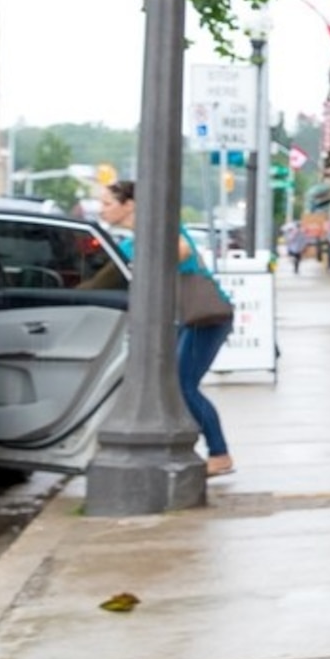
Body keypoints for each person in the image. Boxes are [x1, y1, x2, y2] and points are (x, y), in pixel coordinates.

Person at [100, 180, 238, 479]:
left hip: (205, 318)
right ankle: (191, 442)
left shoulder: (162, 230)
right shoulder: (128, 244)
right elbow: (104, 279)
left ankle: (219, 453)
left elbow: (183, 250)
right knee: (173, 383)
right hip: (185, 320)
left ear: (129, 205)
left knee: (182, 383)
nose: (102, 210)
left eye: (108, 203)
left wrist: (147, 254)